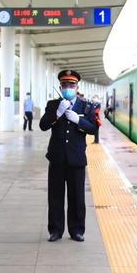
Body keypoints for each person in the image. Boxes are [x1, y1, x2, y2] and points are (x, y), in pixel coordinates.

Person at [40, 70, 99, 242]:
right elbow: (43, 125)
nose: (68, 87)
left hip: (76, 159)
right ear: (60, 87)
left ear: (77, 87)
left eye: (71, 85)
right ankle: (55, 230)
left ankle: (77, 230)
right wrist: (57, 114)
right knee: (55, 197)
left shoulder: (86, 106)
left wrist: (78, 120)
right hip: (57, 158)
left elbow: (93, 129)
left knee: (77, 197)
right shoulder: (53, 105)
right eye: (65, 85)